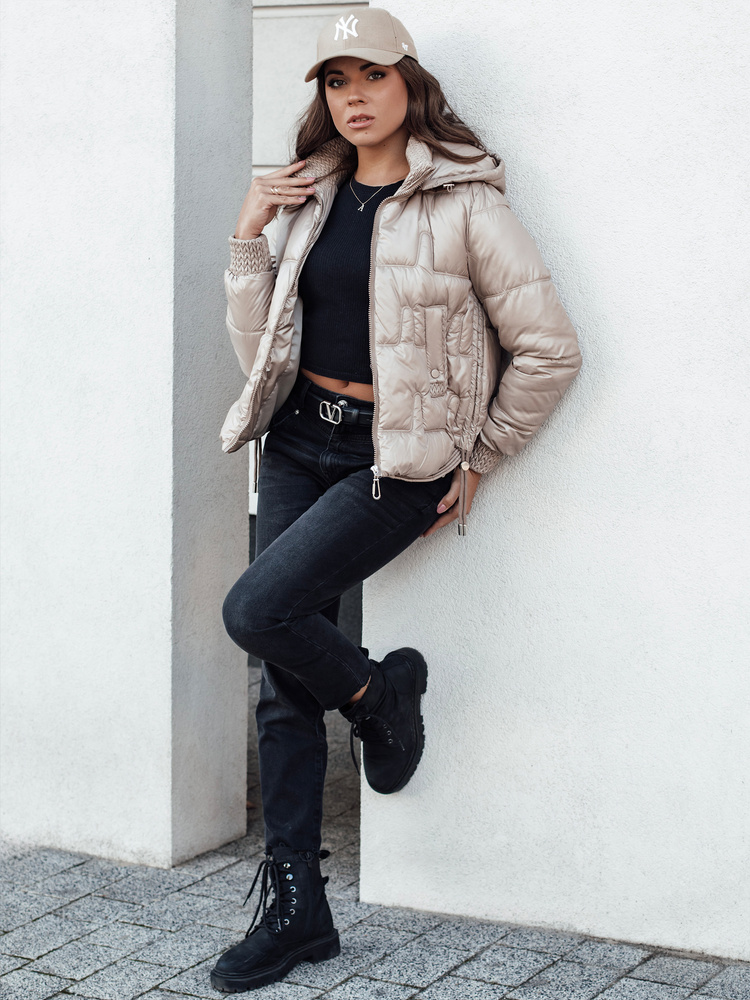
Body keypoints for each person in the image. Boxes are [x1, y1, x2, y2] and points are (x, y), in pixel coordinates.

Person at [210, 8, 582, 993]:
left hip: (395, 461)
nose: (354, 97)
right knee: (282, 678)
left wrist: (484, 452)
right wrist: (248, 239)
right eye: (336, 81)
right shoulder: (311, 195)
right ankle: (299, 906)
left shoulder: (466, 205)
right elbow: (262, 348)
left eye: (371, 75)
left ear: (409, 83)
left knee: (257, 611)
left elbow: (551, 349)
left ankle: (382, 695)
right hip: (298, 440)